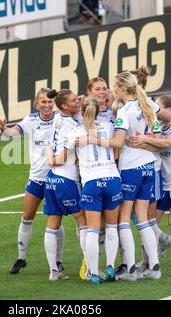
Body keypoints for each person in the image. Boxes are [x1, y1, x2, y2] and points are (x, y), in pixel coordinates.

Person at [86, 70, 161, 280]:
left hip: (131, 168)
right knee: (144, 219)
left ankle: (129, 269)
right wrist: (146, 140)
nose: (111, 90)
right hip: (149, 166)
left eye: (113, 86)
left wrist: (94, 140)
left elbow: (118, 142)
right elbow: (156, 132)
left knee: (124, 220)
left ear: (120, 88)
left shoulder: (125, 111)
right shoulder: (145, 104)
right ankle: (154, 267)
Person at [0, 89, 65, 274]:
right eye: (43, 102)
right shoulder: (31, 120)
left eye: (50, 102)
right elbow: (12, 132)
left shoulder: (61, 119)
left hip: (56, 177)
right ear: (37, 103)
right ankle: (21, 258)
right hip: (36, 177)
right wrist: (3, 127)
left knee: (55, 221)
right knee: (27, 217)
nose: (47, 105)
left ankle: (58, 260)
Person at [129, 95, 171, 272]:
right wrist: (138, 145)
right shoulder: (156, 126)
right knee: (148, 223)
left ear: (168, 111)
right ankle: (147, 261)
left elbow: (166, 144)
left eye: (159, 107)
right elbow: (155, 148)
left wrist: (144, 140)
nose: (155, 110)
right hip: (162, 183)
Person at [66, 97, 122, 285]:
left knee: (92, 229)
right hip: (112, 179)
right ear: (98, 111)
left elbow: (64, 156)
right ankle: (111, 266)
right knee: (112, 227)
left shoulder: (74, 132)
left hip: (91, 182)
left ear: (81, 112)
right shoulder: (108, 126)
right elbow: (117, 147)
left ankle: (93, 272)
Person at [44, 89, 87, 281]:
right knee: (83, 219)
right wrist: (55, 160)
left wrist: (50, 161)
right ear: (64, 106)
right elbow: (63, 155)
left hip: (52, 178)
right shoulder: (71, 125)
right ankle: (89, 264)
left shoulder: (58, 119)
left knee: (52, 224)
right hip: (67, 178)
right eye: (73, 101)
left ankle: (54, 271)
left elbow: (49, 145)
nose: (77, 102)